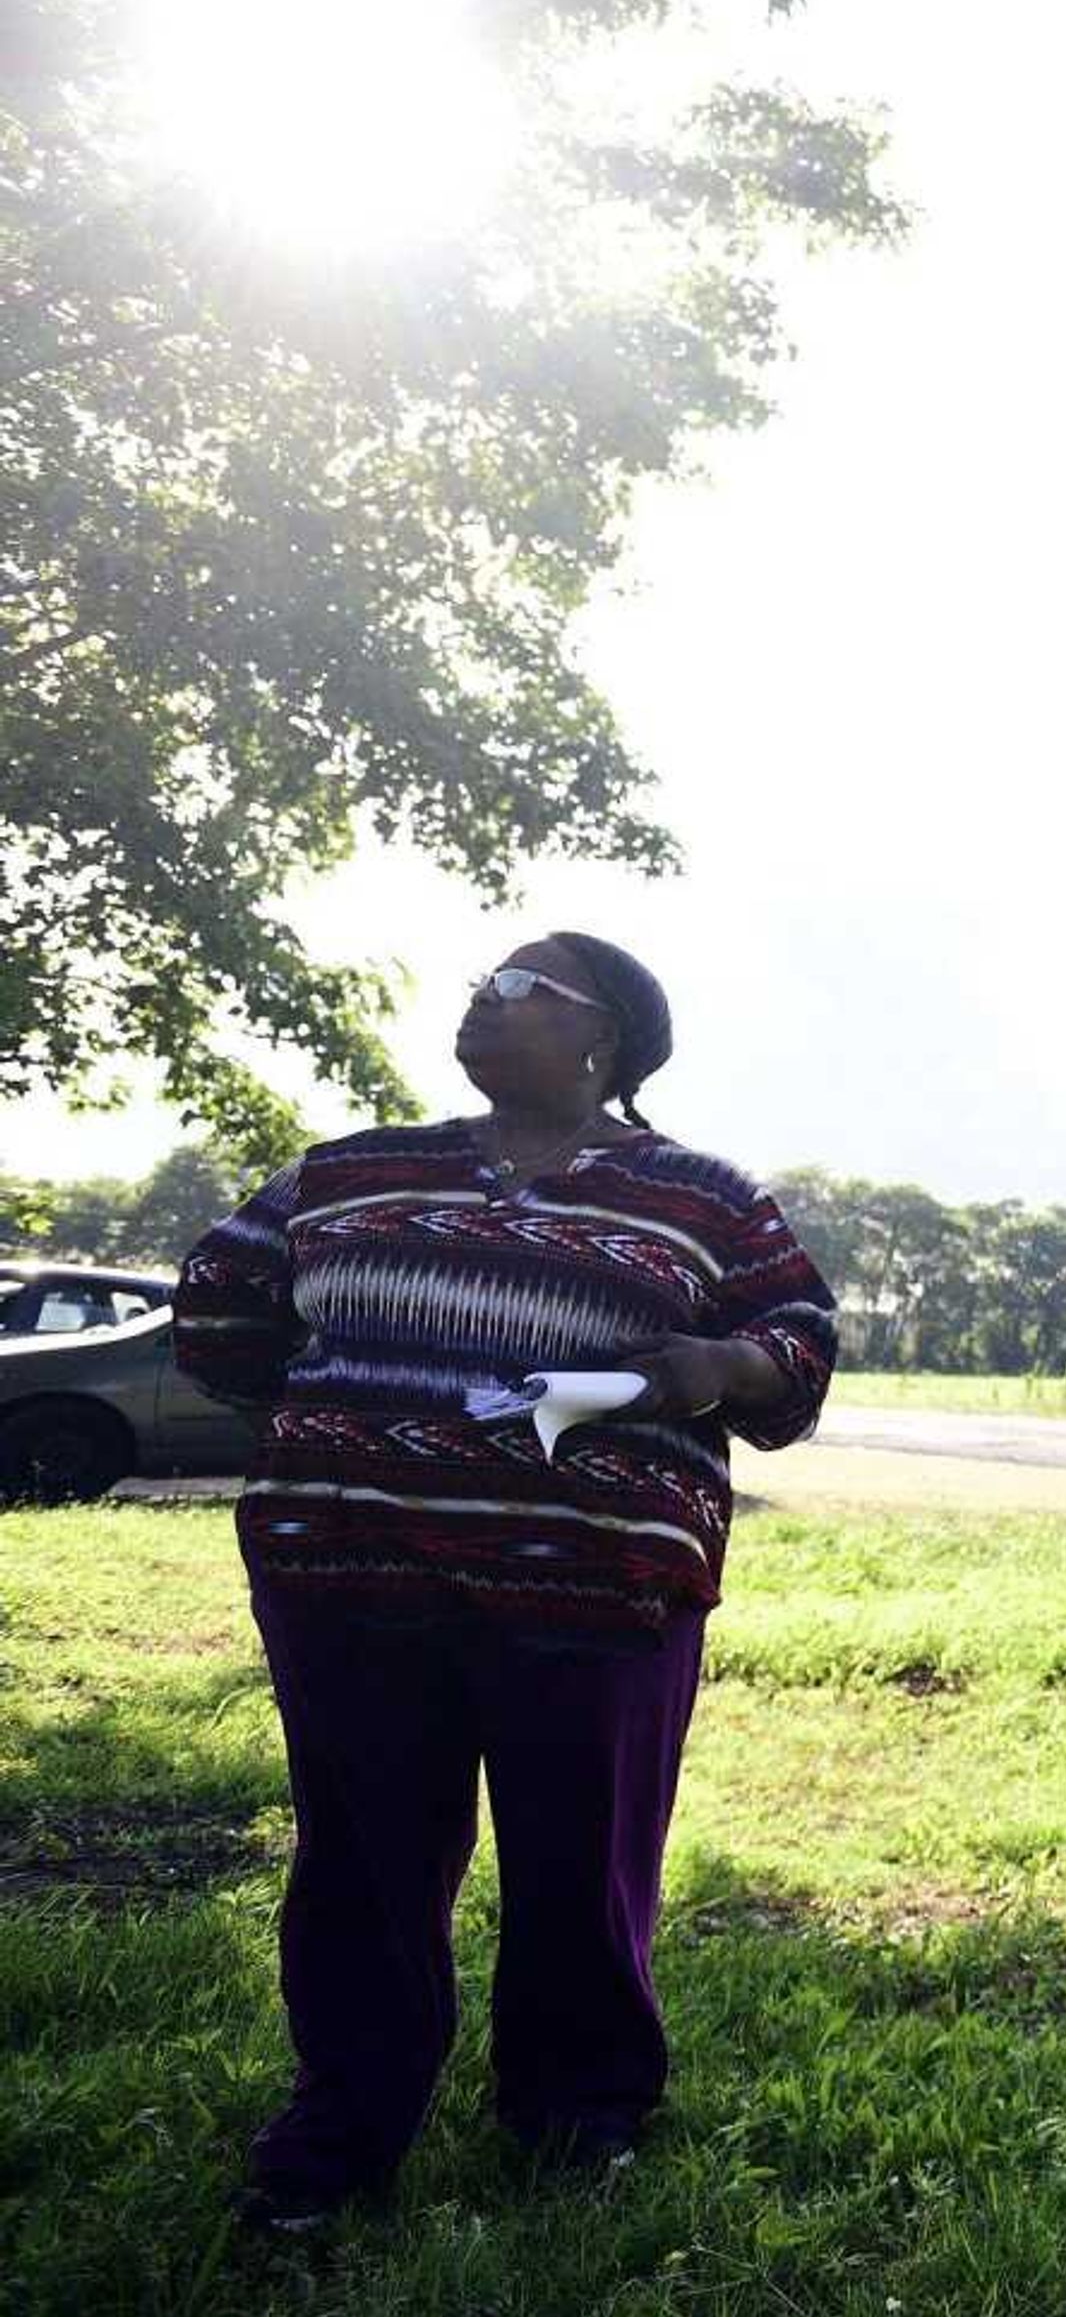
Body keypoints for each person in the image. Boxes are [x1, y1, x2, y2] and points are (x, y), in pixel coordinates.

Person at [172, 933, 837, 2232]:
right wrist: (361, 1431)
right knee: (362, 1861)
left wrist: (717, 1369)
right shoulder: (352, 1168)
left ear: (607, 1040)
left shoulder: (701, 1196)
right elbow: (223, 1309)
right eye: (483, 983)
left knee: (580, 1859)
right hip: (349, 1576)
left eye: (525, 988)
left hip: (593, 1589)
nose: (486, 1001)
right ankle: (343, 2126)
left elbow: (797, 1343)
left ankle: (576, 2115)